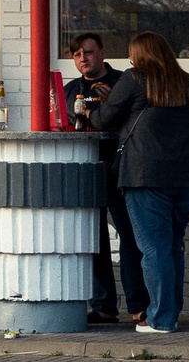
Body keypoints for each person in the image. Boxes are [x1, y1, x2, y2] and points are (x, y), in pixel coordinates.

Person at [91, 31, 189, 334]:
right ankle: (169, 314)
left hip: (147, 176)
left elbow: (103, 119)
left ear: (139, 55)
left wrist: (97, 107)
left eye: (132, 53)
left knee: (155, 249)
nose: (130, 59)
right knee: (172, 246)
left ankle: (160, 319)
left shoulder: (134, 78)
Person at [62, 33, 148, 326]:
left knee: (130, 238)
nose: (83, 59)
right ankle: (103, 307)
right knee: (93, 239)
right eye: (77, 55)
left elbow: (135, 119)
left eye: (88, 52)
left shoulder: (124, 82)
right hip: (85, 169)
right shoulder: (70, 89)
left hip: (120, 167)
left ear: (102, 52)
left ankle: (139, 306)